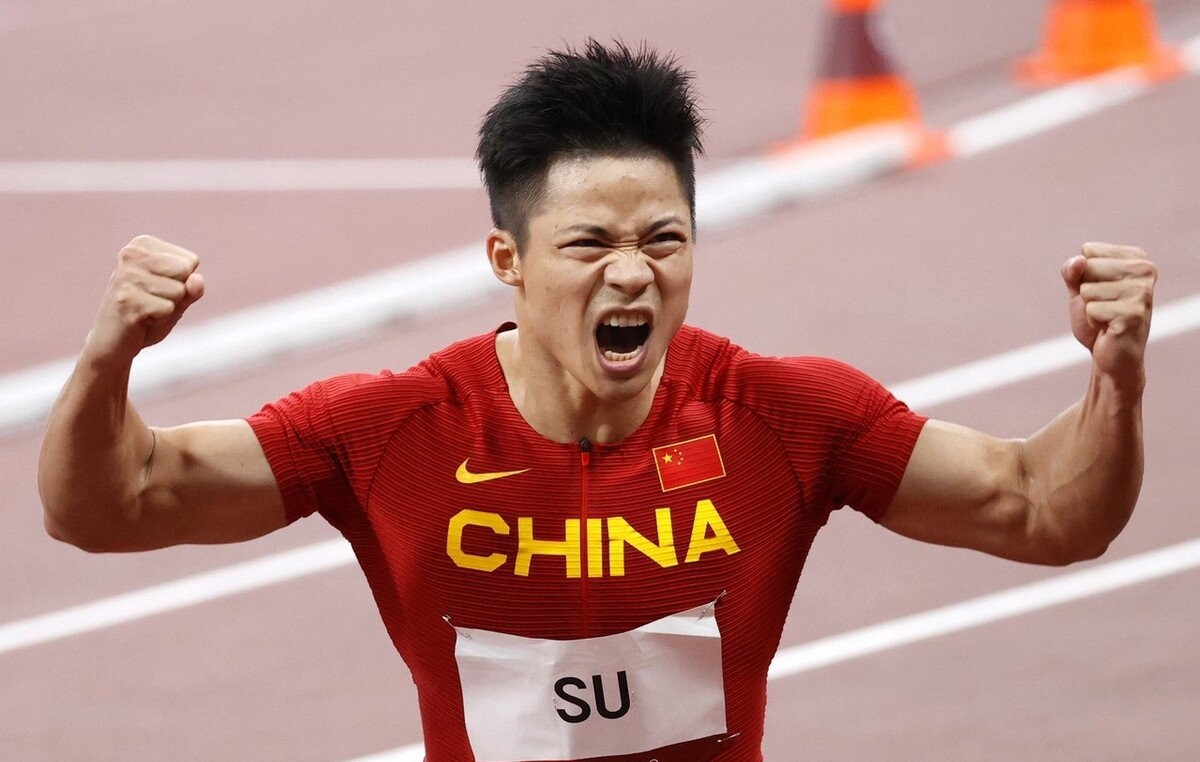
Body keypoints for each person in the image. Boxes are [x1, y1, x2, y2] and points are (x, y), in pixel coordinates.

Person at [38, 40, 1156, 762]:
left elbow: (1045, 510)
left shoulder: (784, 417)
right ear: (508, 260)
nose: (633, 274)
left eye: (664, 239)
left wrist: (1116, 376)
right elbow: (109, 504)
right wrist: (107, 358)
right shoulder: (391, 431)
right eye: (590, 245)